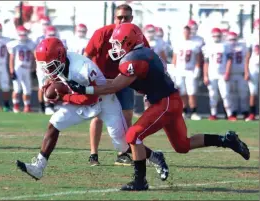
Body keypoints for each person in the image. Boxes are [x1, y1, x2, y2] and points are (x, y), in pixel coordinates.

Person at [66, 23, 250, 191]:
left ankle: (140, 181)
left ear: (129, 41)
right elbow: (117, 81)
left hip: (166, 102)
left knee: (133, 135)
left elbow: (115, 86)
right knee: (182, 145)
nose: (115, 48)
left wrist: (86, 89)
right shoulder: (143, 53)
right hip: (170, 100)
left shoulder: (134, 59)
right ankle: (226, 140)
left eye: (117, 44)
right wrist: (91, 85)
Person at [16, 37, 168, 181]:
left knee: (123, 145)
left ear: (61, 58)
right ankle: (39, 167)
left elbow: (91, 98)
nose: (48, 70)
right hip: (79, 97)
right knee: (54, 123)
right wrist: (52, 86)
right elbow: (54, 83)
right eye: (46, 66)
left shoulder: (82, 68)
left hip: (103, 100)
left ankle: (155, 156)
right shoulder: (56, 62)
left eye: (51, 66)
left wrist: (64, 97)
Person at [83, 4, 152, 166]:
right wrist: (86, 76)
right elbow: (86, 56)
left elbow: (147, 56)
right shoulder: (102, 33)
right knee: (98, 116)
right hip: (101, 79)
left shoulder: (137, 34)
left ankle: (124, 152)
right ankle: (93, 154)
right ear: (114, 18)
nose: (122, 20)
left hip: (124, 78)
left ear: (132, 19)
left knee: (127, 115)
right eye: (119, 17)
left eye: (126, 17)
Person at [203, 28, 237, 121]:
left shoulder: (226, 45)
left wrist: (227, 72)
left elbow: (229, 60)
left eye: (218, 36)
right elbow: (206, 62)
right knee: (213, 95)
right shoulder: (208, 46)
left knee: (225, 94)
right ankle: (213, 114)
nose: (216, 37)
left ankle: (230, 114)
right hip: (212, 74)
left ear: (221, 36)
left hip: (222, 74)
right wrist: (205, 75)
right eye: (214, 36)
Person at [172, 26, 202, 120]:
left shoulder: (194, 44)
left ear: (190, 33)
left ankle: (194, 111)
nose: (186, 34)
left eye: (187, 32)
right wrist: (173, 70)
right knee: (182, 92)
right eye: (185, 32)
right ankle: (184, 110)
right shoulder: (178, 43)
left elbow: (198, 58)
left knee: (191, 92)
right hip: (180, 71)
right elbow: (175, 58)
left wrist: (197, 68)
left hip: (190, 70)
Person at [7, 25, 36, 113]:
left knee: (27, 89)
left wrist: (34, 69)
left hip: (27, 69)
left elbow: (34, 58)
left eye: (24, 34)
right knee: (17, 88)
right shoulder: (14, 44)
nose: (23, 36)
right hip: (18, 69)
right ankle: (16, 106)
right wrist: (11, 70)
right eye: (21, 34)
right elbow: (11, 58)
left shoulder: (31, 44)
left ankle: (27, 106)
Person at [227, 31, 249, 119]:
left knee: (243, 93)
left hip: (240, 73)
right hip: (231, 74)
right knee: (232, 94)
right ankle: (233, 112)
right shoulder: (226, 47)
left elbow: (246, 58)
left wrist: (246, 71)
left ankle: (245, 111)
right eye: (231, 39)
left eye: (234, 39)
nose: (232, 41)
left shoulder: (242, 47)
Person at [244, 19, 259, 121]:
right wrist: (246, 70)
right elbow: (247, 56)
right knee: (253, 91)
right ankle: (252, 113)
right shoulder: (252, 38)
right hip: (254, 66)